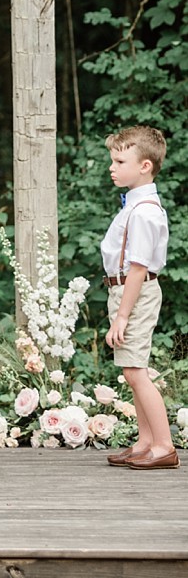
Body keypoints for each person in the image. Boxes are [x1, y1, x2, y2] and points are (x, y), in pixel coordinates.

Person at [101, 125, 178, 470]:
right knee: (132, 370)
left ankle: (164, 445)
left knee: (136, 371)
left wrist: (122, 316)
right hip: (124, 290)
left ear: (145, 166)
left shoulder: (145, 211)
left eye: (120, 161)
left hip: (136, 290)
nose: (112, 167)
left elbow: (137, 267)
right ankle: (146, 441)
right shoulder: (135, 205)